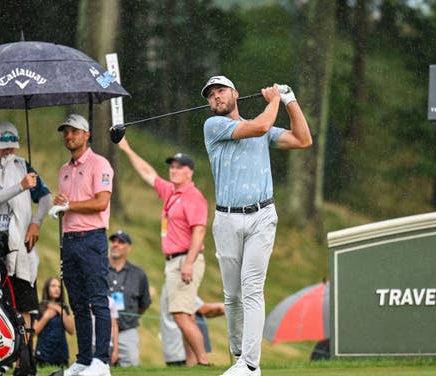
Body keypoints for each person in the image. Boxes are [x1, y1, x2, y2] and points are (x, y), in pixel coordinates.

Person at [201, 75, 312, 376]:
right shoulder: (214, 127)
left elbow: (303, 139)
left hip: (262, 216)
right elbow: (260, 126)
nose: (216, 97)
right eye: (210, 95)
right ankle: (239, 358)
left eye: (221, 91)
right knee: (232, 295)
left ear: (235, 93)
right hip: (226, 219)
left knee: (252, 288)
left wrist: (289, 101)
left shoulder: (262, 126)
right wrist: (274, 99)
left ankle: (249, 365)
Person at [118, 138, 210, 366]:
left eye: (179, 167)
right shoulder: (171, 191)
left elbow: (199, 232)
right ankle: (191, 364)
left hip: (185, 260)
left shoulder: (193, 196)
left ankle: (204, 362)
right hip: (173, 261)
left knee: (180, 315)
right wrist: (127, 148)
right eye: (172, 166)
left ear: (190, 172)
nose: (174, 170)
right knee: (183, 315)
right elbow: (148, 173)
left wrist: (188, 263)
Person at [0, 121, 52, 332]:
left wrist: (36, 222)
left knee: (25, 304)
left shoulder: (23, 166)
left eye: (12, 147)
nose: (9, 151)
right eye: (4, 147)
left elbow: (45, 196)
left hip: (21, 244)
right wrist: (20, 186)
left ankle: (25, 359)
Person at [48, 113, 113, 376]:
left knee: (97, 300)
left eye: (74, 131)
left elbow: (101, 202)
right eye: (65, 132)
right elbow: (68, 204)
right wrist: (59, 204)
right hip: (70, 240)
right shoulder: (64, 170)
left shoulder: (100, 164)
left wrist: (69, 205)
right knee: (77, 303)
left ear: (86, 135)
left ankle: (102, 361)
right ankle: (85, 359)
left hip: (92, 238)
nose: (69, 136)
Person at [106, 230, 151, 367]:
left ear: (128, 247)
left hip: (127, 331)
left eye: (121, 242)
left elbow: (144, 304)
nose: (115, 244)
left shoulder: (138, 274)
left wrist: (131, 318)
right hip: (103, 331)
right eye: (113, 241)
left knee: (131, 367)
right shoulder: (100, 270)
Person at [160, 285, 225, 366]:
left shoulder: (170, 285)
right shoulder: (180, 287)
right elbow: (205, 310)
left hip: (173, 351)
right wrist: (231, 307)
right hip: (181, 352)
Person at [34, 277, 75, 368]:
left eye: (59, 287)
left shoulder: (64, 308)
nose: (57, 289)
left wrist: (60, 311)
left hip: (61, 355)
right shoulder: (40, 306)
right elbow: (35, 331)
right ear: (47, 288)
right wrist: (46, 317)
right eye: (53, 286)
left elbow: (71, 330)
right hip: (43, 355)